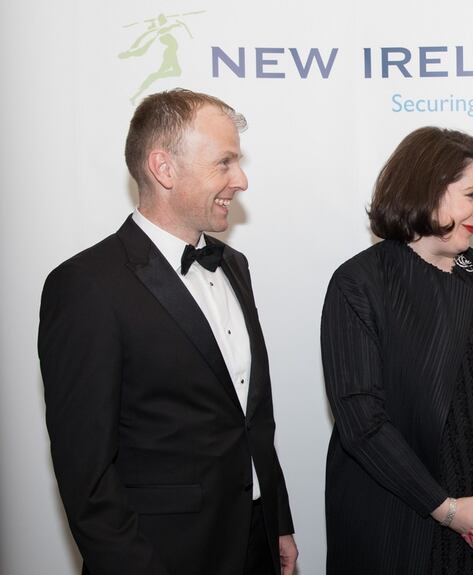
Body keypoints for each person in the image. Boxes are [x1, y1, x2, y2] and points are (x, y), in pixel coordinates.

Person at [38, 89, 297, 575]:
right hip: (162, 556)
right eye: (224, 162)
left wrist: (276, 520)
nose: (240, 180)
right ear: (164, 168)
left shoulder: (234, 266)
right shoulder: (86, 286)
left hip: (254, 542)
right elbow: (86, 476)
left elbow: (251, 417)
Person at [321, 127, 473, 573]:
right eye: (471, 195)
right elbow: (361, 420)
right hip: (396, 526)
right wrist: (446, 509)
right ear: (426, 187)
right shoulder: (360, 283)